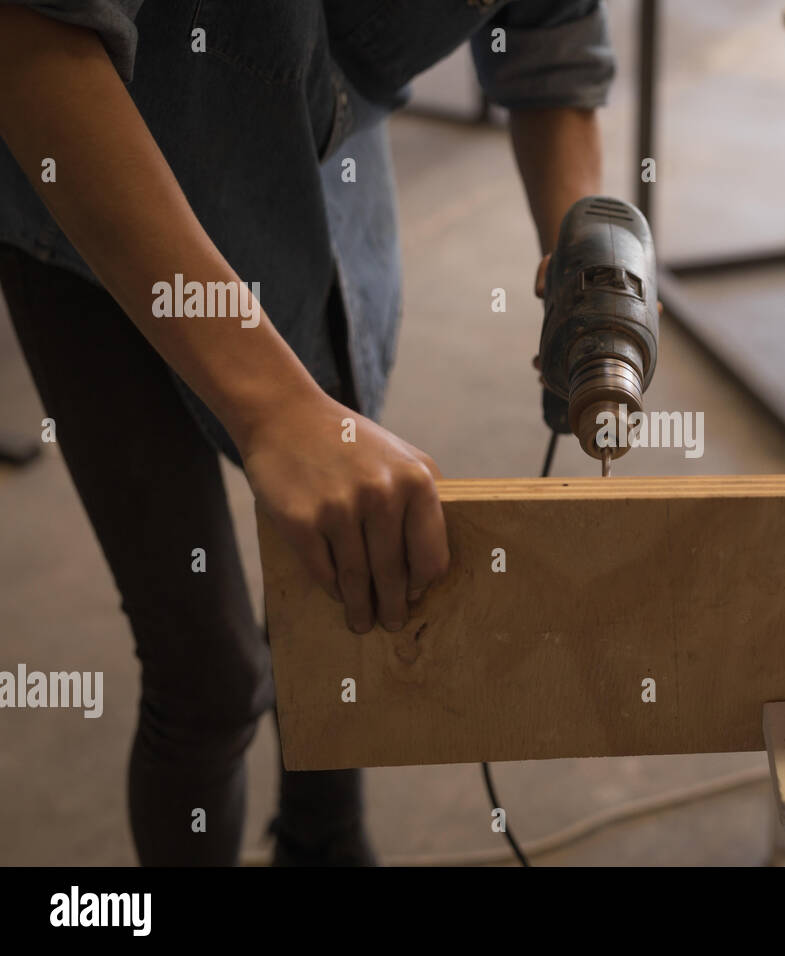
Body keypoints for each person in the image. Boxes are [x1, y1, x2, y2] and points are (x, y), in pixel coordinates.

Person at [0, 0, 613, 865]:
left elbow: (551, 43)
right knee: (209, 680)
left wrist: (580, 239)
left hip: (321, 181)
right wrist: (275, 410)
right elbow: (35, 37)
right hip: (91, 212)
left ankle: (326, 842)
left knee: (345, 596)